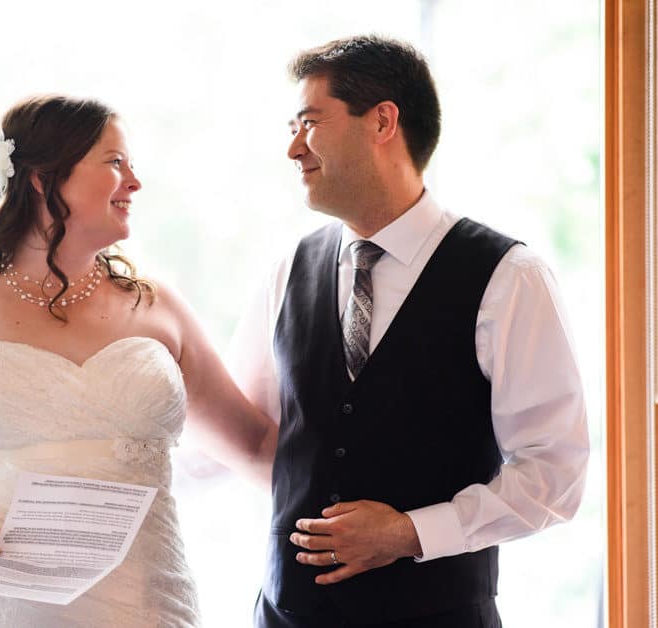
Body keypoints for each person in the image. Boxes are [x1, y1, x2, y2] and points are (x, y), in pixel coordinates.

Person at [0, 94, 277, 627]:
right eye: (114, 162)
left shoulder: (158, 308)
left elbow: (256, 443)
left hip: (140, 603)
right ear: (42, 179)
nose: (134, 182)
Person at [229, 35, 590, 627]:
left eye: (309, 123)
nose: (294, 148)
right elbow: (245, 434)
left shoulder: (509, 277)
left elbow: (556, 475)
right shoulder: (287, 269)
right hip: (286, 615)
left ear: (382, 121)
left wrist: (408, 533)